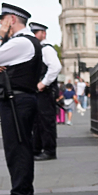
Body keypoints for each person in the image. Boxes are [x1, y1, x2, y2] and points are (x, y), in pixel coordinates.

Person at [0, 4, 43, 195]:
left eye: (2, 21)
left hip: (16, 101)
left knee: (17, 148)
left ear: (11, 19)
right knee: (20, 146)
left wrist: (0, 37)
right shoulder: (25, 43)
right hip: (18, 100)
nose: (1, 24)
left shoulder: (20, 42)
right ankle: (23, 192)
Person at [28, 22, 62, 161]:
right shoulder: (39, 48)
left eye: (37, 33)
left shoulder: (47, 49)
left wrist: (43, 83)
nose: (35, 36)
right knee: (37, 122)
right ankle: (37, 148)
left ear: (43, 33)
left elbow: (55, 67)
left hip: (45, 91)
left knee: (46, 122)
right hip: (39, 92)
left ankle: (49, 150)